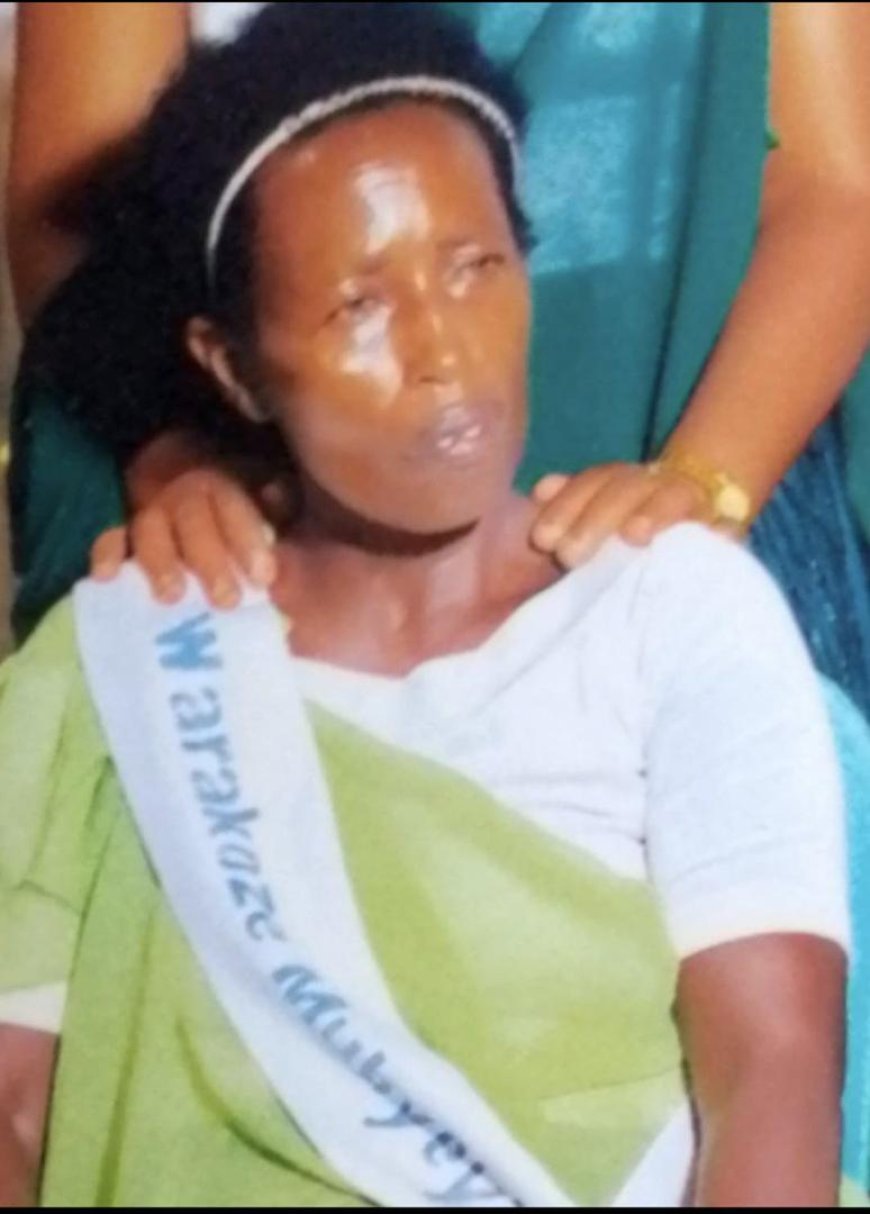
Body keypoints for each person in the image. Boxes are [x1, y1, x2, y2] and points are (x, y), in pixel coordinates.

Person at [0, 4, 857, 1205]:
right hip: (221, 482)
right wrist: (170, 454)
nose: (441, 352)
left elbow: (771, 1066)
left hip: (666, 461)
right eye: (364, 308)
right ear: (230, 364)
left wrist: (695, 496)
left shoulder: (676, 618)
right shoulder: (121, 655)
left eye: (475, 270)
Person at [6, 3, 870, 718]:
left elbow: (834, 191)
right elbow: (72, 218)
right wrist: (173, 453)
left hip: (689, 421)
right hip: (260, 459)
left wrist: (701, 484)